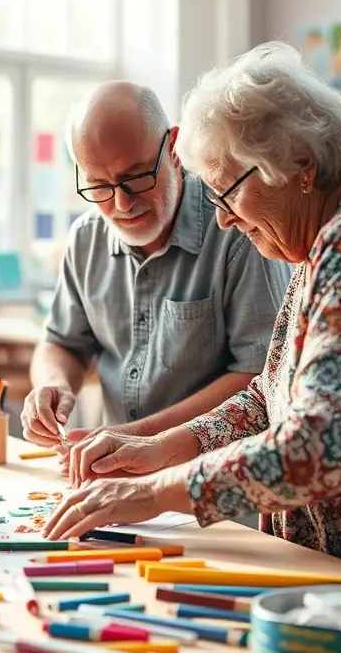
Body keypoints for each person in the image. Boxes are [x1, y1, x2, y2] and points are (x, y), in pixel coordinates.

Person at [45, 42, 341, 585]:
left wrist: (151, 493)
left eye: (228, 192)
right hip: (335, 573)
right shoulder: (325, 235)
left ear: (301, 168)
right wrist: (159, 449)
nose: (221, 220)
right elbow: (268, 396)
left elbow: (317, 445)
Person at [21, 81, 291, 456]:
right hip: (119, 474)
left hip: (214, 481)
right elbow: (63, 343)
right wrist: (53, 385)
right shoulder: (86, 238)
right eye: (98, 186)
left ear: (174, 149)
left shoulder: (237, 230)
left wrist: (139, 437)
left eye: (135, 178)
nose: (121, 203)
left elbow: (260, 377)